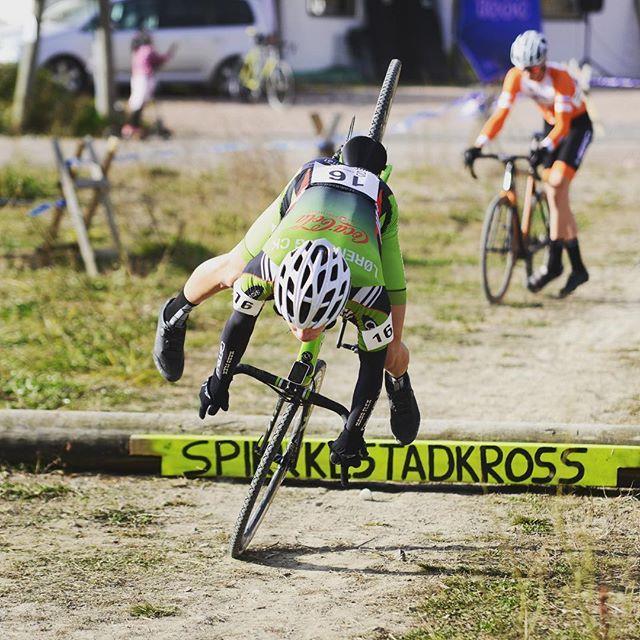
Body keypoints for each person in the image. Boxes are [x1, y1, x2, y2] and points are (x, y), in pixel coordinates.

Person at [154, 135, 421, 452]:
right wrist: (219, 378)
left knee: (390, 351)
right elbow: (239, 324)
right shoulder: (266, 267)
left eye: (315, 324)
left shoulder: (366, 290)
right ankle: (174, 314)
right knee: (231, 271)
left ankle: (400, 383)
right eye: (293, 320)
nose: (303, 334)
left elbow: (370, 367)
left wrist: (354, 431)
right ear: (278, 292)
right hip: (310, 188)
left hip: (371, 208)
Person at [464, 30, 593, 297]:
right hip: (551, 125)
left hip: (575, 127)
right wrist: (479, 144)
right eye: (525, 70)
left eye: (534, 69)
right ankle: (576, 266)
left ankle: (555, 264)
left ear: (544, 62)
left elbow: (564, 126)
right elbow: (501, 114)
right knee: (557, 196)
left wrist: (543, 147)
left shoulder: (561, 79)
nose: (530, 75)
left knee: (557, 186)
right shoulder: (517, 76)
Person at [121, 30, 176, 139]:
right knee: (140, 102)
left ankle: (132, 125)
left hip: (136, 78)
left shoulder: (136, 51)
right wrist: (169, 55)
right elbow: (159, 60)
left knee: (136, 102)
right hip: (144, 78)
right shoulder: (148, 49)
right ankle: (132, 125)